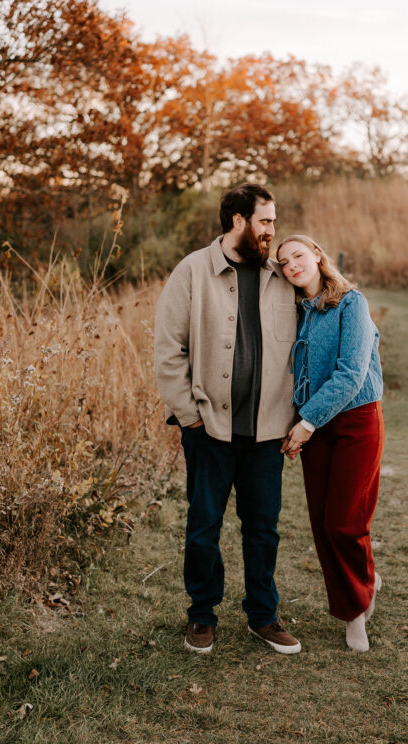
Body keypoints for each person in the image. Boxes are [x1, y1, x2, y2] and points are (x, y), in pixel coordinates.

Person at [153, 184, 302, 655]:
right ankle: (201, 616)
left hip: (267, 431)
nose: (272, 231)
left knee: (264, 529)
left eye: (273, 222)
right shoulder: (193, 271)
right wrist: (189, 415)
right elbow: (167, 349)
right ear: (237, 220)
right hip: (208, 429)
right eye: (265, 221)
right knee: (204, 527)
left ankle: (263, 615)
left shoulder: (280, 277)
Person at [276, 234, 384, 653]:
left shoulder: (351, 302)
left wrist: (306, 423)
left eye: (298, 255)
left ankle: (357, 610)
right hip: (314, 426)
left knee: (346, 520)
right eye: (283, 263)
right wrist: (298, 423)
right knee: (323, 524)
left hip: (356, 419)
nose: (291, 266)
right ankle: (358, 593)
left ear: (317, 255)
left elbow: (351, 373)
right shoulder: (294, 312)